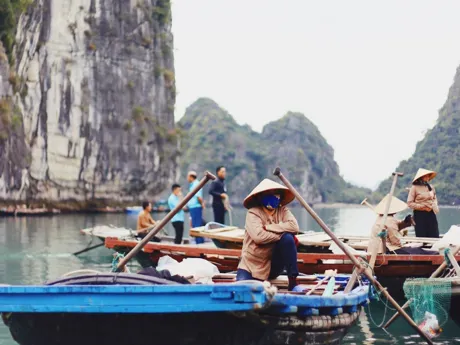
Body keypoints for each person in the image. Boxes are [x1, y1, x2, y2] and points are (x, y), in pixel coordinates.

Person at [236, 179, 300, 291]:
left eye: (276, 193)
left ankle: (293, 282)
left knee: (288, 240)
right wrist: (280, 235)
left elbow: (294, 227)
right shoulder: (253, 213)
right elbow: (259, 237)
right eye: (269, 194)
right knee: (241, 290)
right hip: (252, 265)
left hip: (272, 265)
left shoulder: (283, 211)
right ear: (261, 197)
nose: (274, 196)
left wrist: (270, 227)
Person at [368, 194, 437, 255]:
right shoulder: (389, 220)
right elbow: (394, 240)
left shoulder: (381, 217)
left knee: (413, 249)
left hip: (376, 249)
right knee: (417, 251)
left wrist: (405, 222)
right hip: (385, 250)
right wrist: (403, 247)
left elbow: (396, 225)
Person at [407, 168, 440, 238]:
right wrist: (423, 207)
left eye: (428, 176)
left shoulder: (431, 187)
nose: (428, 177)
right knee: (421, 235)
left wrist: (434, 206)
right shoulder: (414, 188)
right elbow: (409, 203)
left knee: (434, 234)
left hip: (431, 214)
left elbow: (434, 199)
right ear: (421, 177)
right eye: (426, 176)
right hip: (419, 215)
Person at [187, 171, 205, 244]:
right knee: (194, 224)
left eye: (188, 177)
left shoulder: (196, 184)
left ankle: (199, 241)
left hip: (196, 207)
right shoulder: (192, 185)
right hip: (193, 207)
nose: (187, 178)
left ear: (191, 177)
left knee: (197, 225)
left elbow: (198, 197)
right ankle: (197, 241)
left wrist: (202, 204)